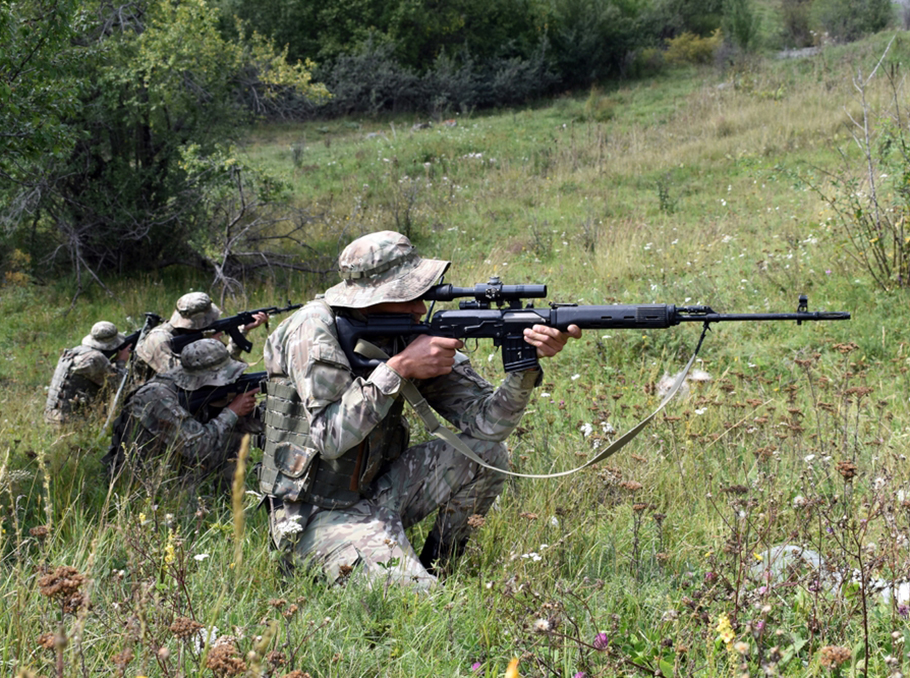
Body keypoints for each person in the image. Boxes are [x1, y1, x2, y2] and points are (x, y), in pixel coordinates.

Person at [259, 230, 581, 588]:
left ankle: (439, 568)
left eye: (421, 295)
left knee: (487, 454)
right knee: (425, 605)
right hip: (316, 513)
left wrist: (523, 367)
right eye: (406, 296)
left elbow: (489, 427)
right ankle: (372, 571)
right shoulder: (313, 330)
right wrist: (397, 370)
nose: (419, 308)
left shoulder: (409, 331)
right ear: (369, 298)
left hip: (379, 490)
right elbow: (330, 439)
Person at [106, 339, 261, 491]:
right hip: (143, 481)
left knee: (235, 434)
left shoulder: (195, 388)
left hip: (173, 464)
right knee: (229, 428)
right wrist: (232, 411)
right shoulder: (156, 396)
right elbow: (196, 446)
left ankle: (226, 494)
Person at [134, 291, 267, 379]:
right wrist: (207, 347)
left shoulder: (194, 333)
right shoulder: (159, 339)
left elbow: (225, 365)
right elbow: (183, 378)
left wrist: (243, 330)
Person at [44, 321, 132, 426]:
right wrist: (121, 361)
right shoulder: (96, 358)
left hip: (51, 418)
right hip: (73, 424)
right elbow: (122, 386)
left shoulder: (72, 353)